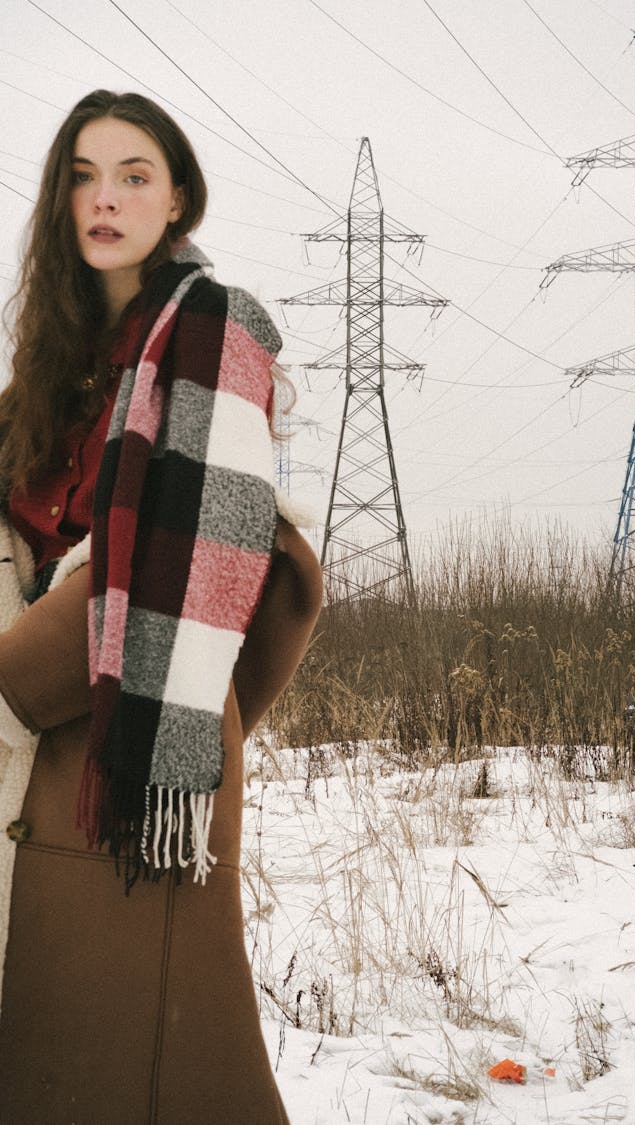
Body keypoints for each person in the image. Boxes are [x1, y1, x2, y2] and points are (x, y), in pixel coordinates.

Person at [0, 89, 322, 1124]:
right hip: (21, 751)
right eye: (82, 176)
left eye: (134, 174)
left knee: (148, 1048)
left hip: (122, 758)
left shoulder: (211, 331)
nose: (106, 198)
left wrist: (12, 689)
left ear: (177, 194)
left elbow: (210, 555)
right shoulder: (48, 371)